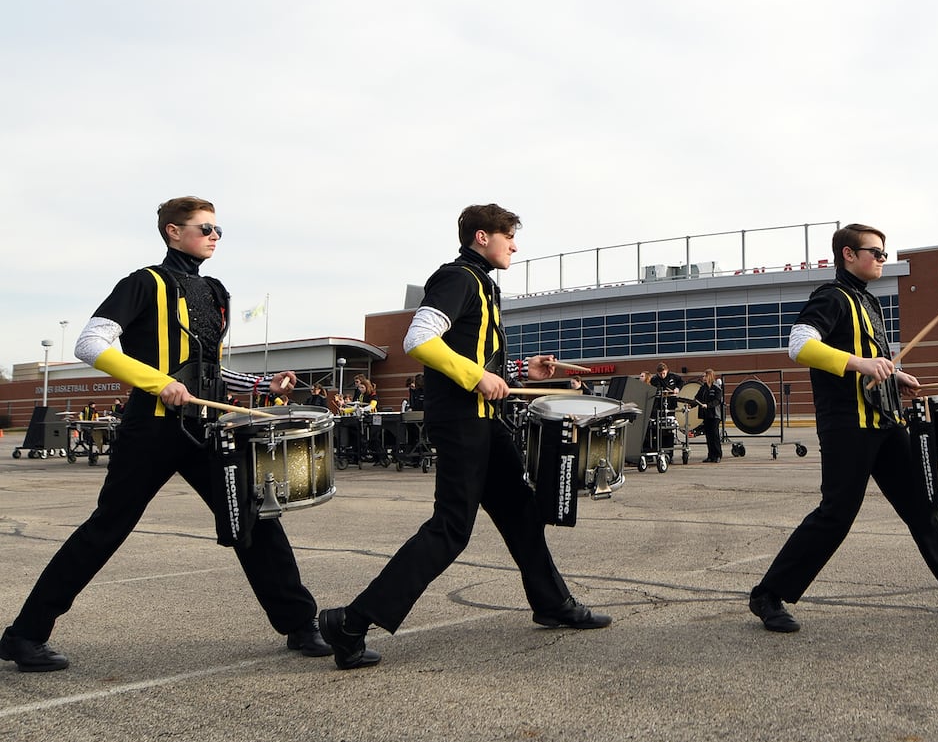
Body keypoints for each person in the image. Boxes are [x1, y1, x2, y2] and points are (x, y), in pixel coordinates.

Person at [1, 198, 331, 673]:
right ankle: (24, 636)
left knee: (254, 519)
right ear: (173, 232)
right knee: (106, 528)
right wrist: (158, 383)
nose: (215, 235)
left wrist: (261, 385)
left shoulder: (216, 290)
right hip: (151, 429)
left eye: (219, 229)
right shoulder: (142, 283)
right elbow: (89, 343)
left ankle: (300, 625)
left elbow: (208, 372)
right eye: (205, 228)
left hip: (207, 429)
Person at [317, 204, 610, 670]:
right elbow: (418, 340)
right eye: (507, 236)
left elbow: (478, 362)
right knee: (450, 530)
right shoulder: (458, 278)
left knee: (520, 515)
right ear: (481, 237)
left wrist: (521, 373)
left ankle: (552, 602)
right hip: (462, 421)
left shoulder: (482, 285)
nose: (514, 245)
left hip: (483, 420)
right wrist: (475, 377)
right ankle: (351, 621)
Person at [748, 223, 938, 633]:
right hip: (849, 427)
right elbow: (799, 345)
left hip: (886, 422)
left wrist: (894, 374)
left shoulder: (870, 303)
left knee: (924, 507)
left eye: (884, 252)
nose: (882, 259)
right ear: (848, 254)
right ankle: (768, 595)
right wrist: (862, 364)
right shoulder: (832, 297)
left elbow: (871, 361)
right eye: (875, 252)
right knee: (836, 516)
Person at [697, 368, 725, 463]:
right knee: (708, 436)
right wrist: (690, 404)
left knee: (715, 435)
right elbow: (698, 398)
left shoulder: (716, 388)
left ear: (710, 376)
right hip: (706, 415)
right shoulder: (703, 388)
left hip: (714, 415)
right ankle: (710, 455)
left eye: (705, 376)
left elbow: (717, 401)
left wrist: (708, 405)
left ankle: (717, 455)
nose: (703, 377)